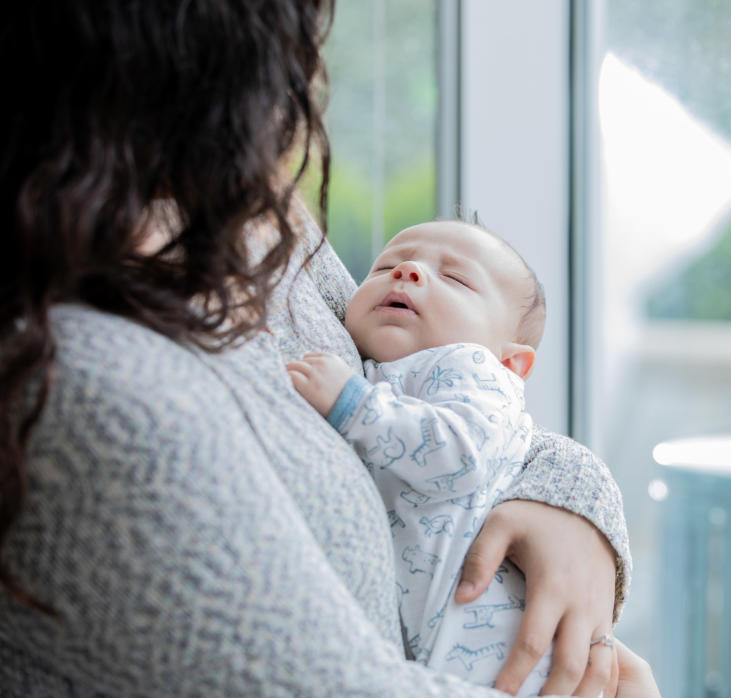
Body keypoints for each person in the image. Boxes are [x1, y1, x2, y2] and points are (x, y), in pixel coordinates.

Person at [0, 1, 661, 697]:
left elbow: (451, 388)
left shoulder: (249, 223)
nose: (309, 79)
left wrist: (570, 502)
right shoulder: (79, 387)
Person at [287, 218, 558, 695]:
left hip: (505, 655)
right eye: (384, 266)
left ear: (510, 362)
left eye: (455, 278)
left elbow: (462, 454)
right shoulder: (382, 371)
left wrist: (355, 404)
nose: (407, 270)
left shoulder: (472, 367)